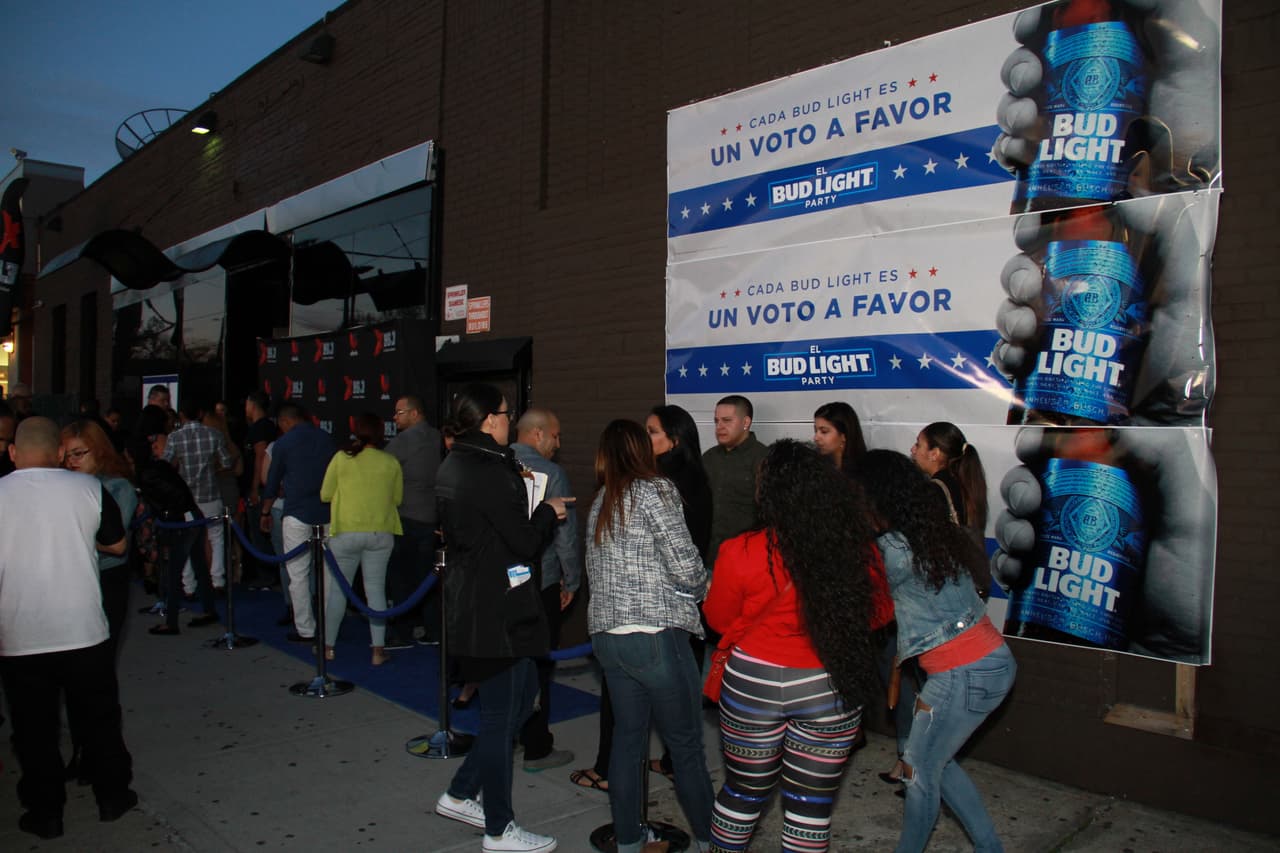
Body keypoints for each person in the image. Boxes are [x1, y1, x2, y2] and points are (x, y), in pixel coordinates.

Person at [704, 440, 882, 852]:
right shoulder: (857, 549)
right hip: (830, 684)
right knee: (810, 808)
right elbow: (877, 615)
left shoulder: (739, 551)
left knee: (744, 794)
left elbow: (717, 620)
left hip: (754, 685)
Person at [432, 383, 573, 853]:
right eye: (506, 414)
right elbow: (524, 541)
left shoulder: (460, 461)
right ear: (489, 419)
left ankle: (458, 793)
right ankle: (499, 828)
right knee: (500, 715)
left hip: (487, 601)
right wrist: (549, 512)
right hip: (493, 609)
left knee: (519, 700)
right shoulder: (485, 468)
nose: (510, 422)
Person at [859, 450, 1017, 853]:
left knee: (918, 774)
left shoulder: (892, 549)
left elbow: (867, 609)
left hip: (960, 673)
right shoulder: (932, 532)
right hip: (987, 662)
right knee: (937, 765)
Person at [0, 417, 137, 839]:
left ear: (12, 453)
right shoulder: (89, 489)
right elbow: (117, 545)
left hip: (21, 630)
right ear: (60, 453)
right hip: (83, 628)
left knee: (33, 728)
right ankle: (112, 795)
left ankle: (46, 813)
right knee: (98, 716)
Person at [586, 418, 713, 853]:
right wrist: (699, 588)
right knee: (686, 748)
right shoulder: (655, 490)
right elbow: (686, 563)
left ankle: (628, 839)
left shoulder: (601, 499)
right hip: (655, 636)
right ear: (643, 450)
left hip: (608, 640)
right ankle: (710, 841)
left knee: (627, 740)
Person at [511, 407, 581, 773]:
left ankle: (507, 739)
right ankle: (537, 746)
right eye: (555, 436)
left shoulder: (494, 465)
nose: (558, 443)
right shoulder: (552, 474)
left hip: (503, 583)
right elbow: (565, 536)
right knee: (538, 665)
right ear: (537, 435)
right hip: (542, 582)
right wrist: (573, 580)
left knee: (506, 661)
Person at [319, 411, 402, 665]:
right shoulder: (390, 462)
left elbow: (324, 494)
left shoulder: (341, 458)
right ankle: (378, 650)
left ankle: (328, 648)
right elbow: (397, 500)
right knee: (375, 590)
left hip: (345, 532)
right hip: (380, 533)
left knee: (338, 592)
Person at [131, 408, 220, 636]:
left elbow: (174, 496)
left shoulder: (149, 473)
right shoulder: (158, 467)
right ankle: (208, 609)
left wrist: (170, 514)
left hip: (182, 521)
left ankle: (171, 622)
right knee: (198, 566)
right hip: (191, 515)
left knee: (174, 570)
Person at [261, 404, 336, 643]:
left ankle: (306, 629)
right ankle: (329, 625)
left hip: (296, 513)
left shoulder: (283, 443)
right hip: (328, 513)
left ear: (284, 422)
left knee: (298, 574)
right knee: (329, 573)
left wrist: (265, 511)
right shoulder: (326, 439)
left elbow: (271, 483)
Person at [384, 394, 443, 648]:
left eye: (399, 412)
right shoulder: (438, 437)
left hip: (406, 518)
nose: (394, 417)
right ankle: (433, 630)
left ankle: (403, 633)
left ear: (415, 413)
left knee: (401, 579)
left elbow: (382, 471)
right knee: (428, 578)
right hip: (432, 520)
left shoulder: (402, 441)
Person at [161, 398, 234, 589]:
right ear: (200, 414)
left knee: (186, 540)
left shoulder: (175, 437)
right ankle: (218, 581)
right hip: (210, 494)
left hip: (186, 497)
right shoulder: (214, 434)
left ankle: (188, 586)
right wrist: (212, 469)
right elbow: (227, 462)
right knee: (216, 538)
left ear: (182, 415)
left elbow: (164, 466)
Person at [702, 394, 769, 567]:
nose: (720, 427)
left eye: (727, 420)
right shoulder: (709, 458)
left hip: (747, 561)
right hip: (709, 559)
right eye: (716, 421)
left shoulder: (764, 458)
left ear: (746, 422)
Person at [241, 391, 280, 589]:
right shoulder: (259, 427)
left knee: (260, 533)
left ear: (252, 403)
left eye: (246, 403)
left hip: (261, 489)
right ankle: (267, 575)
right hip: (260, 487)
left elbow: (260, 457)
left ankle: (267, 577)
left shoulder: (261, 428)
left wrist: (255, 488)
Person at [812, 400, 867, 477]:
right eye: (815, 431)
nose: (816, 438)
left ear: (843, 436)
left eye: (824, 431)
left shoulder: (864, 474)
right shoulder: (815, 471)